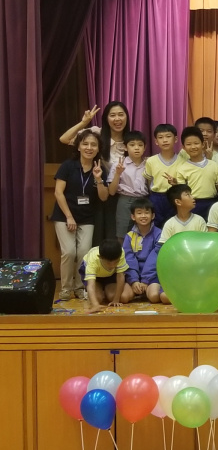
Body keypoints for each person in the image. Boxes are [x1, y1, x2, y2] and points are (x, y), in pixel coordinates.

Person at [60, 101, 131, 242]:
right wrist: (83, 123)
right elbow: (64, 139)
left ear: (127, 117)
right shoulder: (96, 133)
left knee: (121, 238)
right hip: (99, 193)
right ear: (106, 118)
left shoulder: (131, 140)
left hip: (123, 196)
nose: (117, 119)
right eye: (112, 115)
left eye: (121, 115)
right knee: (101, 238)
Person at [53, 129, 110, 300]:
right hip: (64, 215)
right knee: (69, 252)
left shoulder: (100, 168)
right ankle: (66, 288)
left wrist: (98, 179)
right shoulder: (68, 166)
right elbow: (58, 193)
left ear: (98, 148)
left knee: (84, 252)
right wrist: (69, 217)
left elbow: (104, 197)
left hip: (87, 217)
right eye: (85, 144)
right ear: (78, 146)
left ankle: (79, 287)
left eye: (93, 145)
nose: (89, 148)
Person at [107, 131, 149, 239]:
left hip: (144, 200)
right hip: (125, 200)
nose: (136, 148)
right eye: (132, 145)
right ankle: (122, 250)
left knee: (144, 233)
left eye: (140, 145)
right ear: (125, 147)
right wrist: (118, 173)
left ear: (145, 148)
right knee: (122, 234)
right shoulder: (118, 164)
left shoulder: (149, 163)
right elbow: (111, 191)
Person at [173, 127, 218, 220]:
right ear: (183, 147)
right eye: (189, 144)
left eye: (196, 143)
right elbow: (182, 192)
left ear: (203, 144)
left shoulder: (214, 165)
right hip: (192, 205)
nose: (193, 147)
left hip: (212, 204)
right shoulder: (182, 169)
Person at [122, 198, 162, 303]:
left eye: (147, 213)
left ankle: (145, 291)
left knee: (154, 296)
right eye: (139, 213)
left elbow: (155, 257)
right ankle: (139, 290)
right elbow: (128, 258)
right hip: (134, 276)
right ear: (133, 217)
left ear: (153, 216)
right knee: (124, 297)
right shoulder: (129, 236)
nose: (143, 216)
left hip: (152, 275)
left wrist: (145, 280)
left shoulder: (159, 234)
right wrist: (134, 281)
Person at [143, 124, 182, 229]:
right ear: (156, 141)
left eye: (168, 136)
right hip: (156, 198)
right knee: (155, 226)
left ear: (176, 139)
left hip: (175, 198)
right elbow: (149, 181)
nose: (164, 140)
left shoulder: (183, 161)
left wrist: (176, 183)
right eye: (160, 137)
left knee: (173, 225)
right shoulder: (151, 161)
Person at [79, 238, 132, 313]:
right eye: (109, 263)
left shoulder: (120, 252)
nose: (112, 265)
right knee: (97, 298)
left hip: (111, 274)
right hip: (96, 277)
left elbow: (120, 276)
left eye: (116, 262)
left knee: (124, 297)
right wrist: (95, 305)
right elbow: (91, 284)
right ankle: (96, 290)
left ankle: (106, 290)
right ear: (100, 257)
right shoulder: (93, 258)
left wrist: (116, 299)